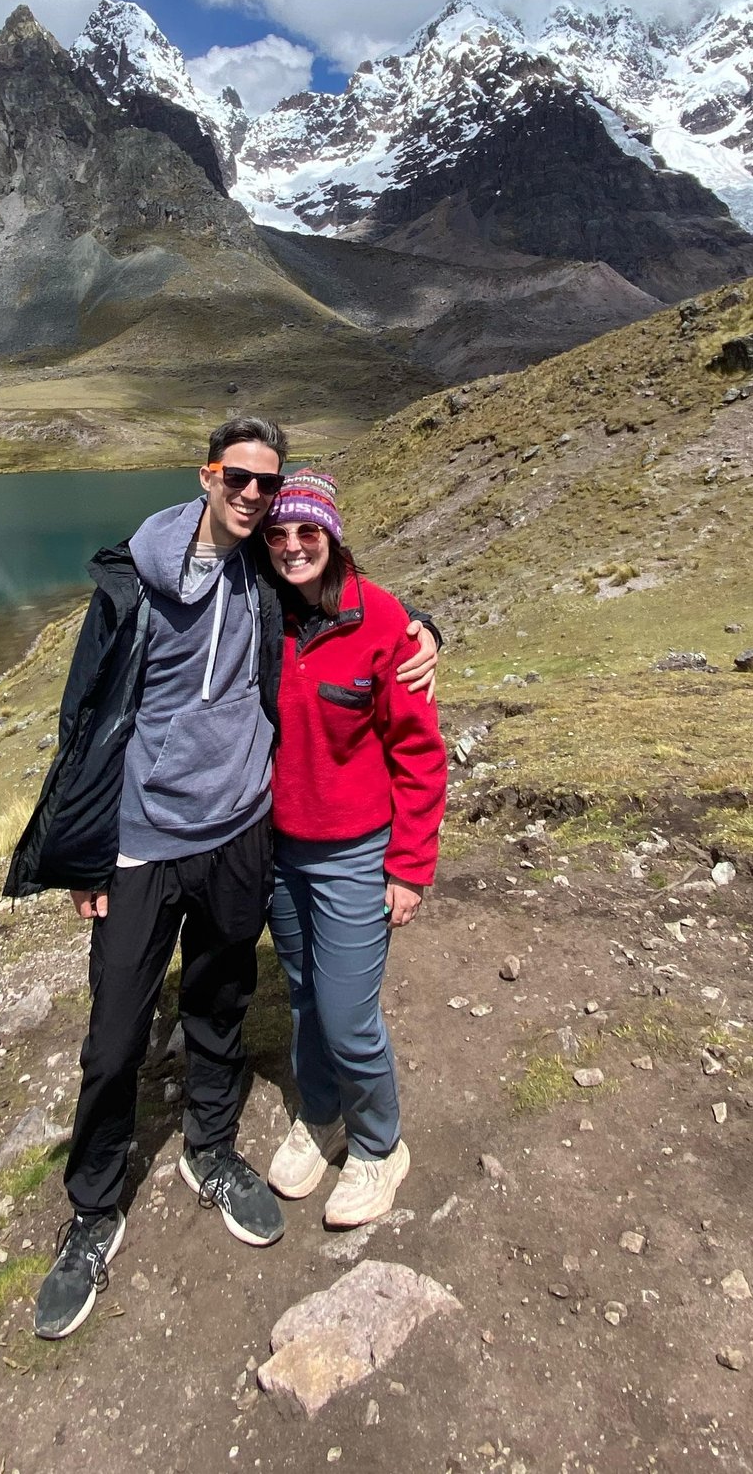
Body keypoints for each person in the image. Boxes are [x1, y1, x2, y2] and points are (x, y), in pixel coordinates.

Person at [3, 416, 439, 1340]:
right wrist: (83, 852)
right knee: (116, 1029)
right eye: (237, 480)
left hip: (243, 834)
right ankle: (92, 1211)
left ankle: (210, 1145)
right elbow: (85, 715)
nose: (253, 500)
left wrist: (427, 630)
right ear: (207, 475)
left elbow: (352, 611)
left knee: (219, 998)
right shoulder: (135, 582)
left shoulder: (265, 579)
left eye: (266, 488)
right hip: (144, 843)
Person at [261, 470, 447, 1228]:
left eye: (308, 532)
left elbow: (419, 754)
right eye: (278, 534)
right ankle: (321, 1112)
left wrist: (408, 867)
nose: (292, 546)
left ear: (333, 536)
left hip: (353, 854)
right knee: (303, 994)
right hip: (280, 853)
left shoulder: (384, 622)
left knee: (346, 1011)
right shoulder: (262, 609)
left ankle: (379, 1145)